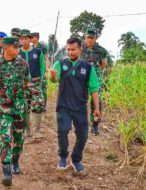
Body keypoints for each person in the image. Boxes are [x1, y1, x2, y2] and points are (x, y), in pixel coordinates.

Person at [50, 37, 100, 173]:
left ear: (80, 50)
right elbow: (54, 79)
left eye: (73, 49)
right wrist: (53, 76)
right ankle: (63, 157)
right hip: (64, 106)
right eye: (68, 49)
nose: (70, 52)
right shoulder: (59, 64)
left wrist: (97, 108)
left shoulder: (88, 68)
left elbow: (94, 88)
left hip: (80, 107)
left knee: (83, 135)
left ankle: (76, 159)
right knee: (63, 131)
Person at [0, 36, 30, 186]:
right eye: (15, 47)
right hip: (2, 109)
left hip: (19, 107)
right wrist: (0, 97)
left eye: (19, 47)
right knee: (5, 138)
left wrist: (17, 96)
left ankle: (15, 160)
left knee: (18, 138)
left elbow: (26, 82)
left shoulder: (23, 64)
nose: (18, 49)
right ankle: (6, 170)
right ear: (6, 47)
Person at [80, 28, 108, 135]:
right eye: (88, 37)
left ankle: (95, 125)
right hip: (81, 77)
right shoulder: (80, 48)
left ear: (96, 38)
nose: (90, 40)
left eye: (92, 38)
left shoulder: (101, 50)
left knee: (96, 101)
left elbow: (103, 64)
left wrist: (95, 73)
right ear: (85, 37)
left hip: (95, 77)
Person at [19, 29, 45, 138]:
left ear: (30, 39)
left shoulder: (37, 52)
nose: (24, 41)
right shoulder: (17, 52)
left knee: (38, 105)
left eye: (26, 38)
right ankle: (27, 131)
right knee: (24, 107)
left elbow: (42, 67)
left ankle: (37, 131)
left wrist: (41, 80)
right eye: (22, 39)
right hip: (22, 84)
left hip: (35, 83)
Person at [31, 32, 50, 112]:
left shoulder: (42, 47)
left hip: (41, 71)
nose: (31, 38)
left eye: (32, 37)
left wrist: (46, 71)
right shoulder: (31, 47)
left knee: (43, 88)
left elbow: (46, 59)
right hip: (33, 72)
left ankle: (44, 106)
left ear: (37, 37)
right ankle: (34, 105)